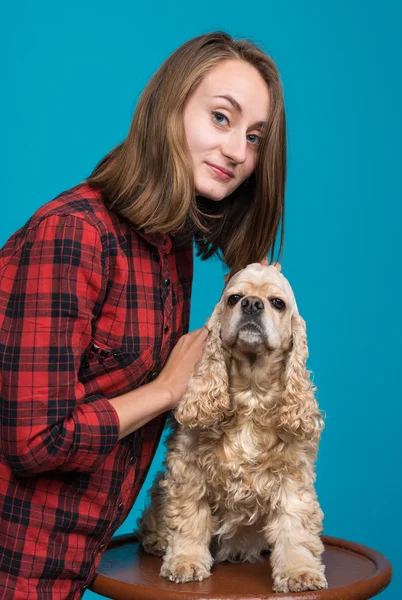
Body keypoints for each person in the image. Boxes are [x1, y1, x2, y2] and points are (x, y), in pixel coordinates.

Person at [0, 31, 286, 599]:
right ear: (168, 108)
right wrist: (165, 389)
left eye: (255, 138)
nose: (237, 151)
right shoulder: (73, 234)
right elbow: (33, 441)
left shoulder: (168, 250)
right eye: (221, 118)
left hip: (74, 564)